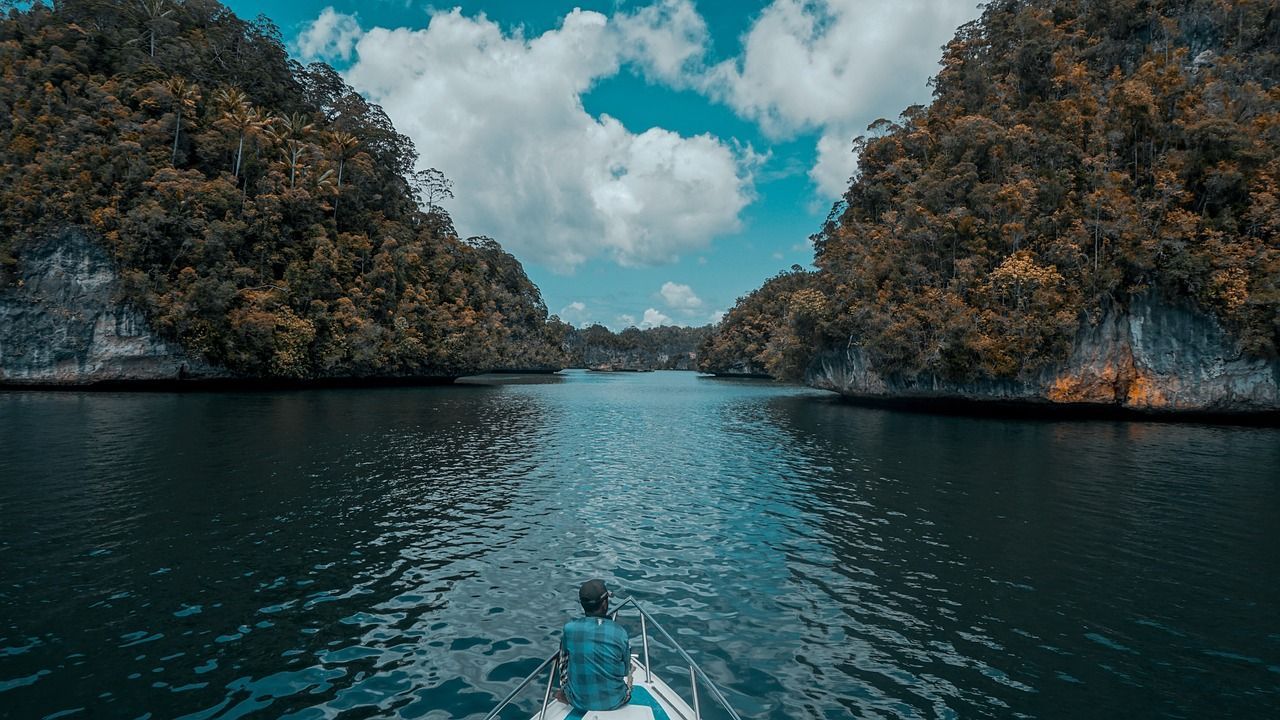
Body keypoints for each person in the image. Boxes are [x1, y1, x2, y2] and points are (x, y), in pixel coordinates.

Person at [557, 579, 632, 711]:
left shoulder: (569, 629)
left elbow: (563, 665)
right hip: (615, 702)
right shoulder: (620, 633)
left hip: (577, 702)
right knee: (629, 676)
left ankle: (564, 694)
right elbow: (625, 671)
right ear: (604, 604)